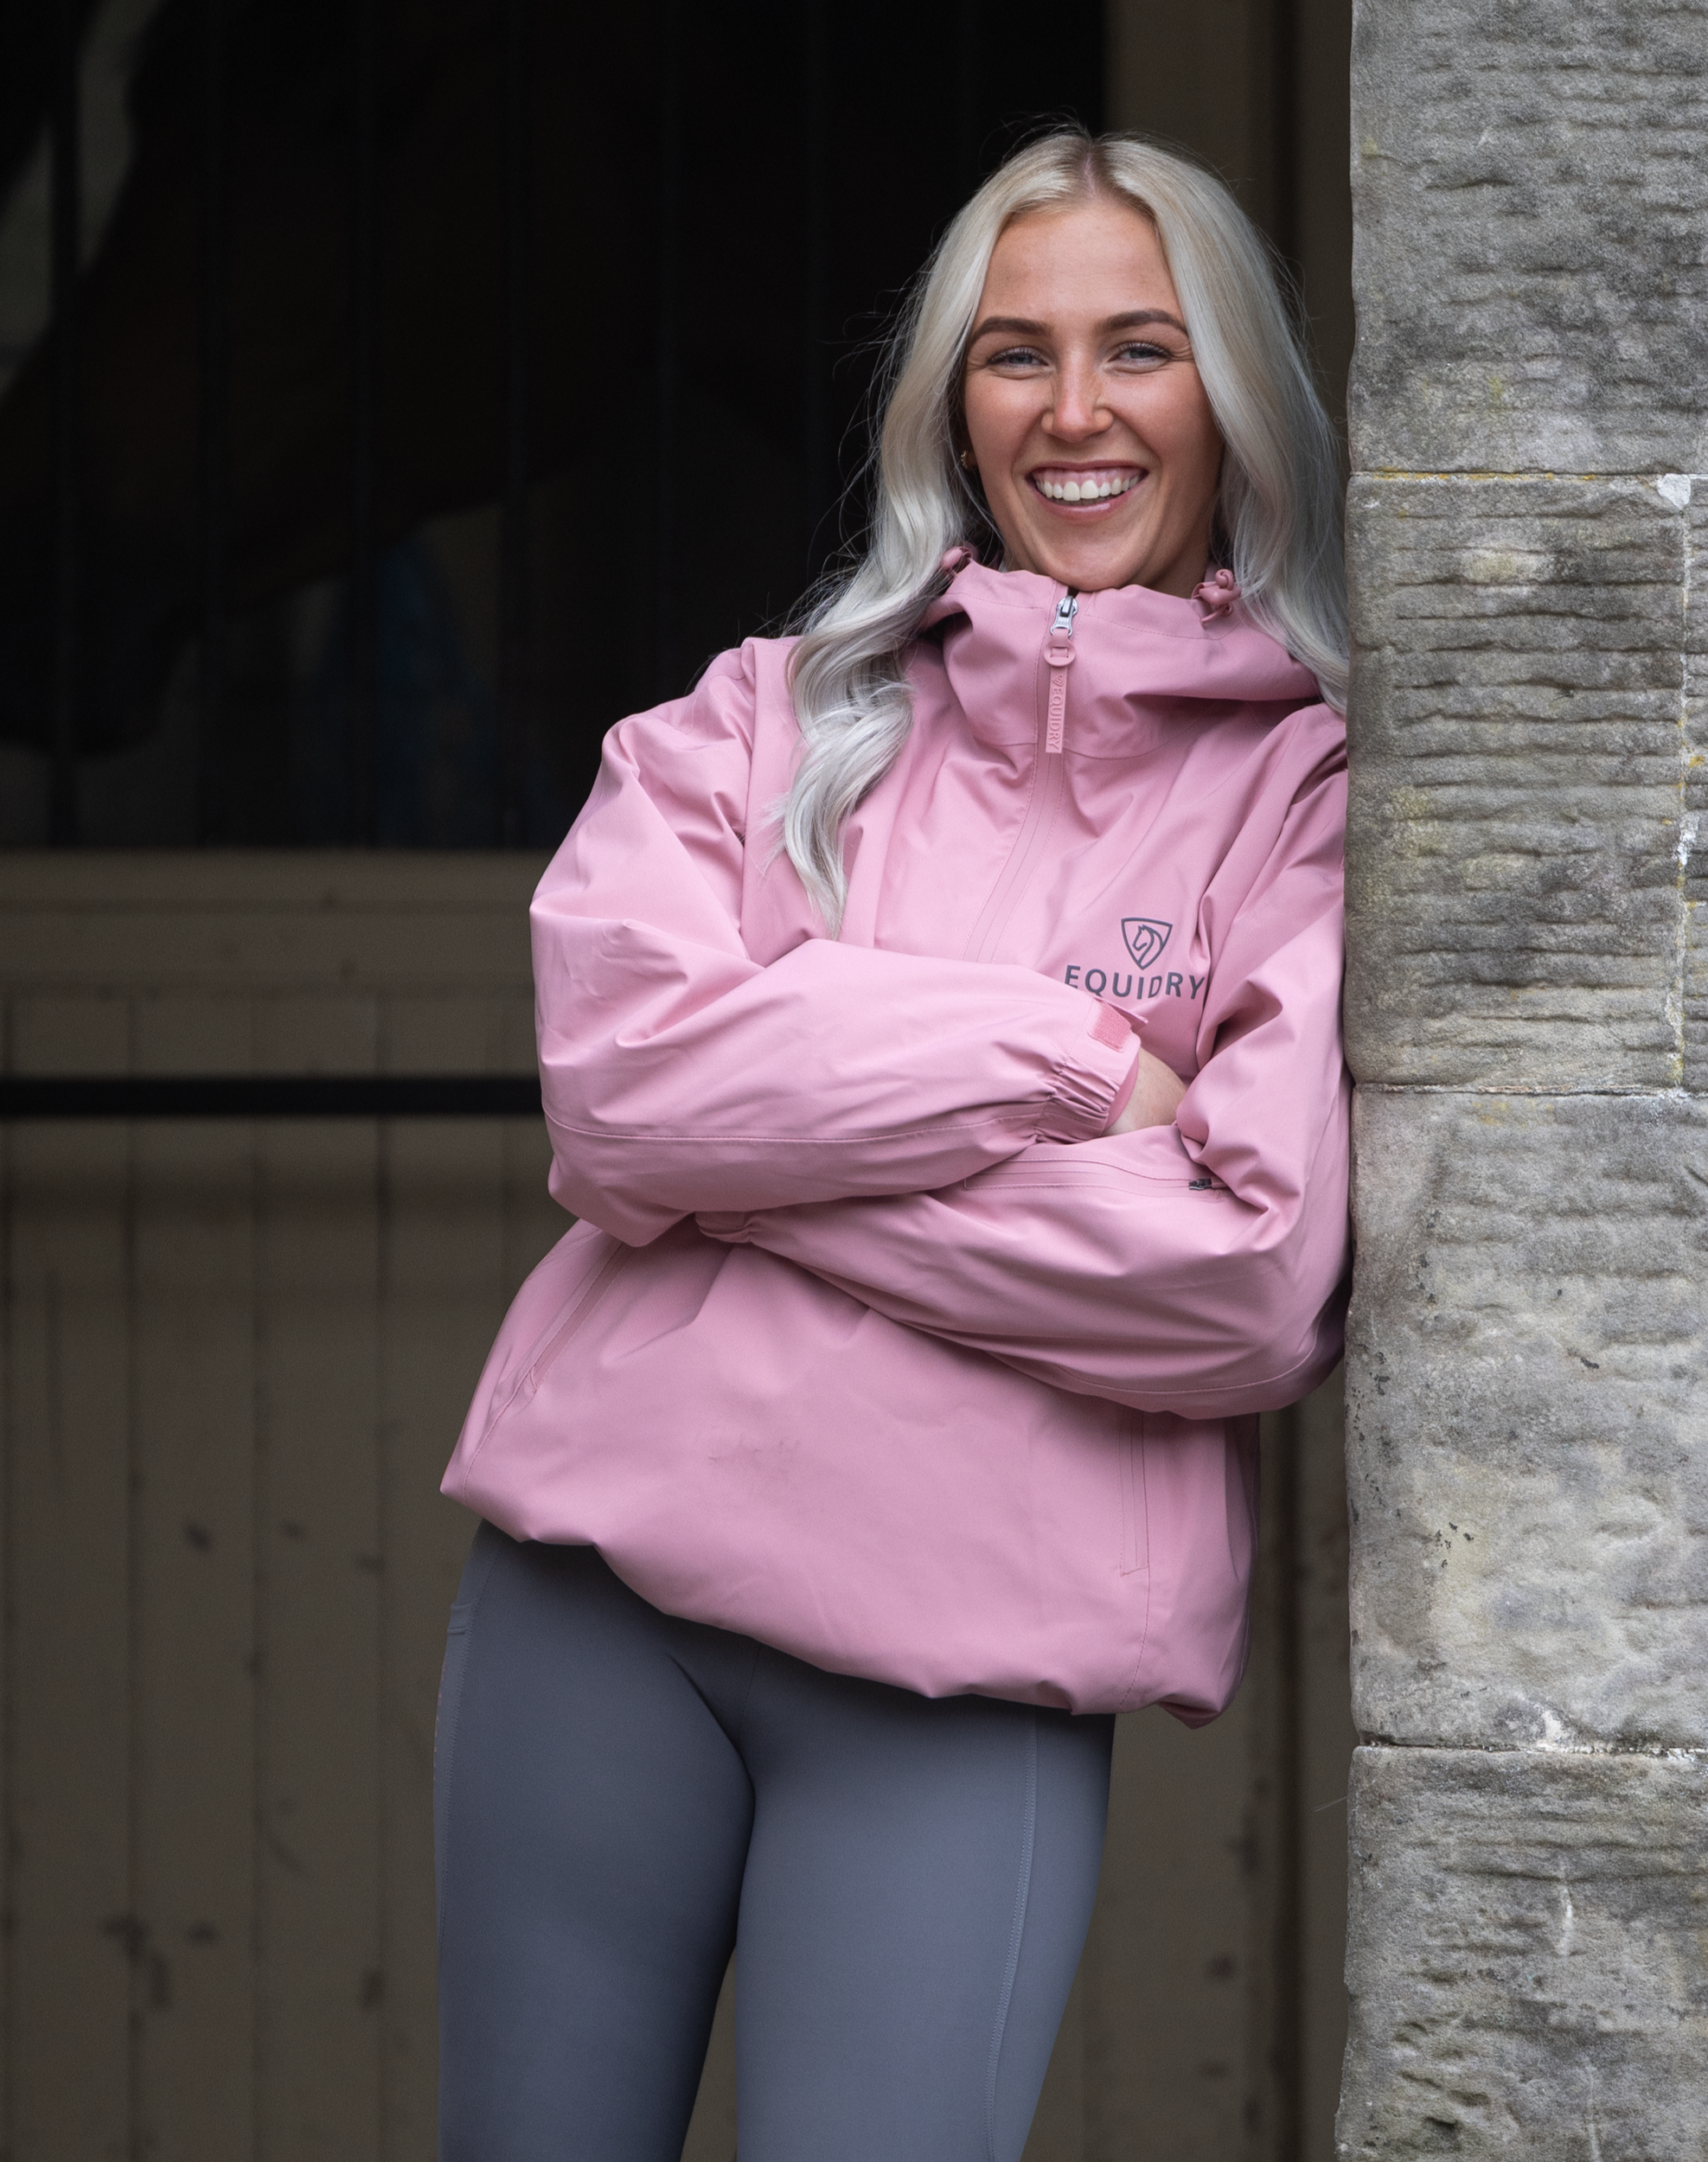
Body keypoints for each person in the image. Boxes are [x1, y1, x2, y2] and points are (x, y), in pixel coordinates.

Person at [431, 128, 1350, 2161]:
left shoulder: (1306, 796)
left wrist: (761, 1168)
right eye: (1015, 353)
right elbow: (619, 1092)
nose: (1074, 409)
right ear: (951, 400)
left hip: (961, 1671)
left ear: (1233, 395)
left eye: (1140, 347)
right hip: (594, 1612)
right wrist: (1067, 1059)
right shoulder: (755, 720)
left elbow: (1243, 1275)